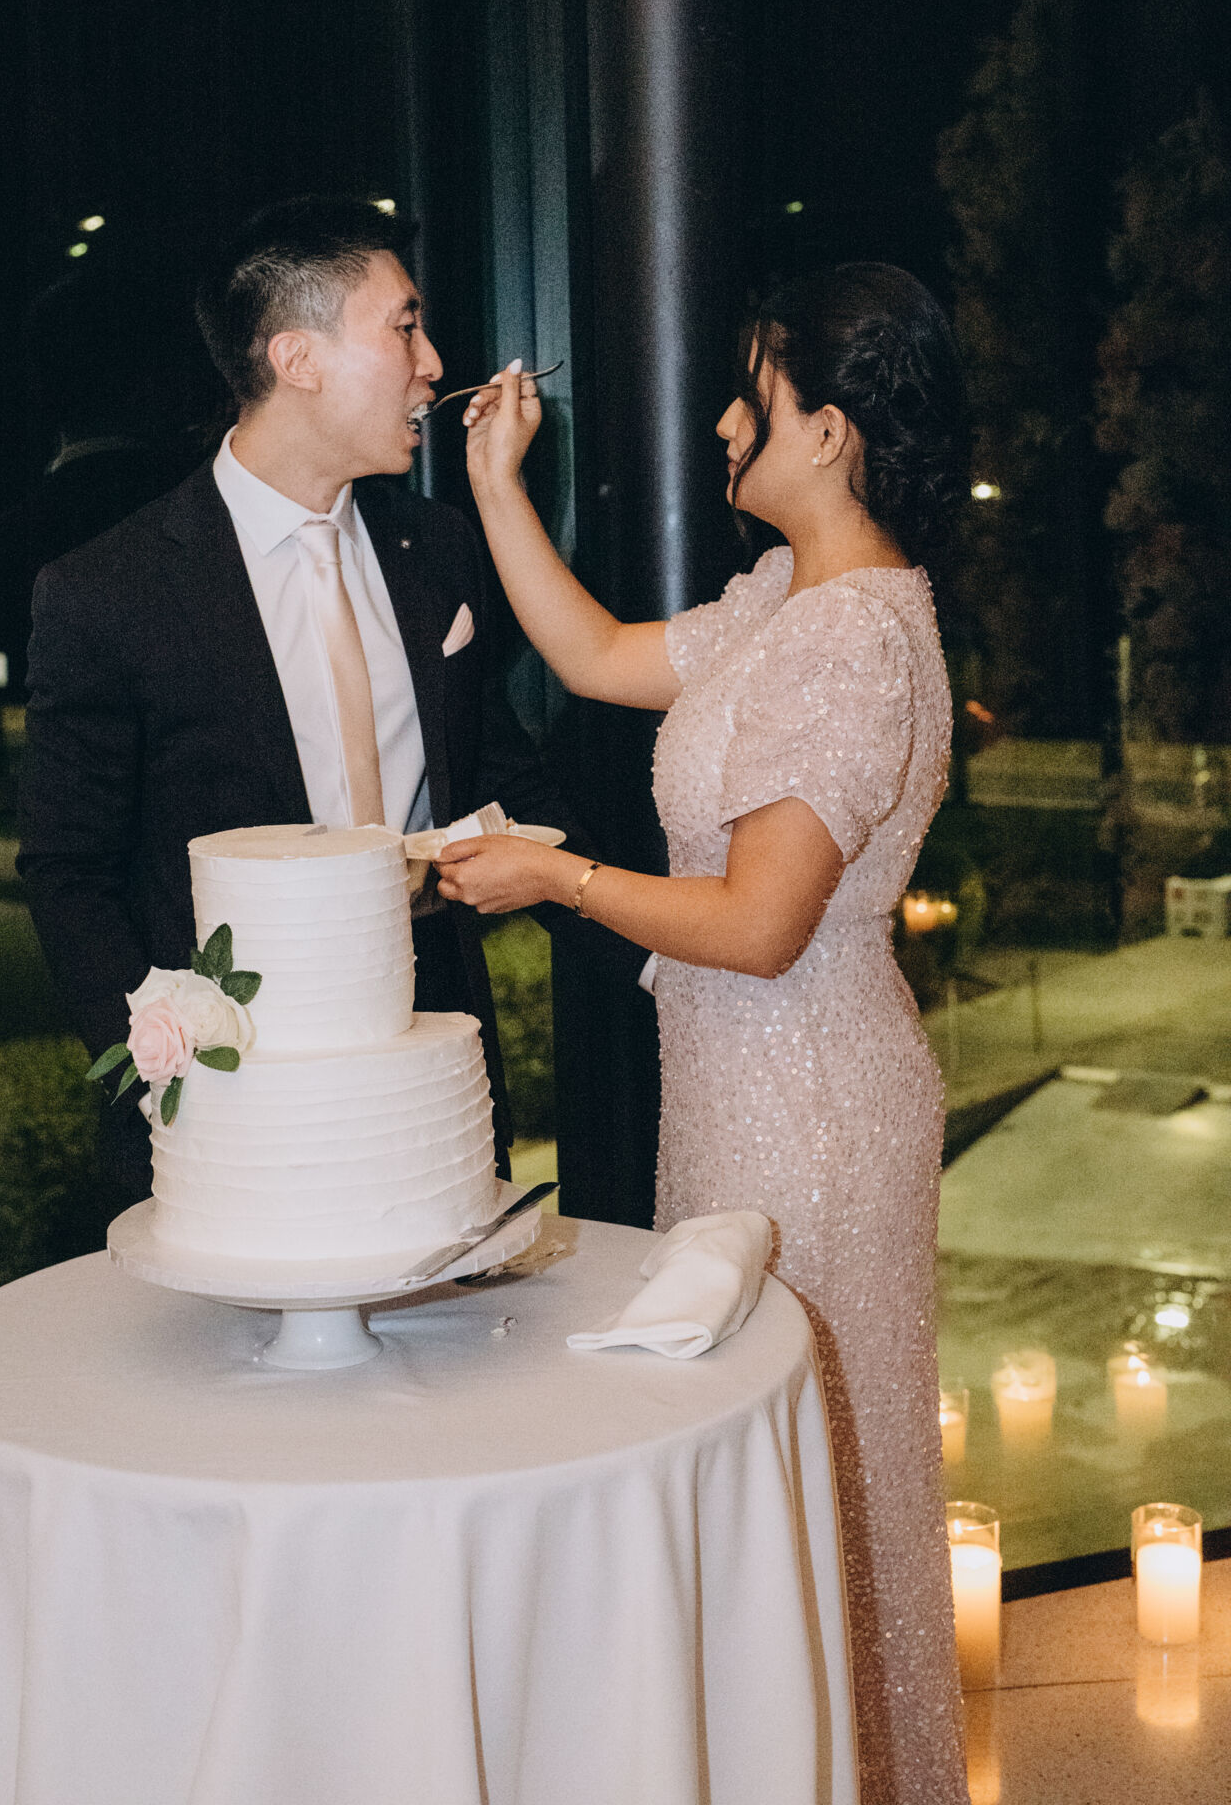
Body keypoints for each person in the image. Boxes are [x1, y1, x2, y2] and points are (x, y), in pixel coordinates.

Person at [435, 263, 970, 1803]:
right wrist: (495, 479)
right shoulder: (782, 598)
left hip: (810, 1115)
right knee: (767, 1481)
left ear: (834, 432)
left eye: (757, 395)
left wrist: (556, 877)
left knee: (808, 1492)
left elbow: (759, 922)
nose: (728, 423)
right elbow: (598, 655)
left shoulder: (851, 640)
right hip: (740, 1094)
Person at [16, 194, 591, 1204]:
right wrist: (157, 1069)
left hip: (434, 1074)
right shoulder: (109, 591)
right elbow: (69, 871)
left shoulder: (437, 550)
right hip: (237, 1103)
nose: (433, 364)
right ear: (298, 359)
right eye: (404, 327)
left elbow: (501, 777)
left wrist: (656, 940)